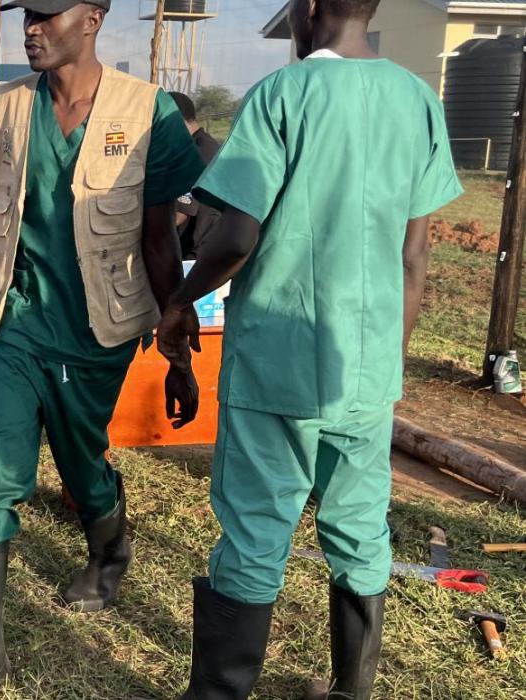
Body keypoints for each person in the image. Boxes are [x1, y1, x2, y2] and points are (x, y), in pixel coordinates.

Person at [157, 0, 463, 697]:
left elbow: (235, 238)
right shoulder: (418, 101)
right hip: (366, 369)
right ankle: (353, 691)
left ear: (312, 9)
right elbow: (415, 258)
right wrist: (383, 360)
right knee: (359, 530)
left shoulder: (284, 94)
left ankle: (219, 691)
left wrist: (180, 301)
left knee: (257, 532)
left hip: (277, 361)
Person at [0, 1, 205, 697]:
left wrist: (179, 346)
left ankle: (110, 548)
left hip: (100, 330)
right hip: (19, 324)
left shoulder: (147, 113)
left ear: (92, 18)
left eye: (48, 14)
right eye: (28, 14)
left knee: (82, 462)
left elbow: (158, 239)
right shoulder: (7, 110)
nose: (32, 27)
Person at [167, 91, 222, 259]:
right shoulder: (208, 145)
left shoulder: (197, 154)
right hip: (207, 250)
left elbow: (179, 215)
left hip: (193, 256)